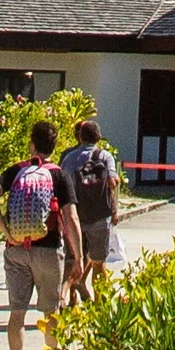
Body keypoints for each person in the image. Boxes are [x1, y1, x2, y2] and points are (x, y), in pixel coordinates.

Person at [0, 119, 67, 350]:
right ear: (54, 146)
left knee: (17, 313)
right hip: (48, 249)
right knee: (51, 311)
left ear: (32, 145)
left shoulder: (16, 170)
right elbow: (72, 217)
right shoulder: (58, 175)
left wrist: (6, 230)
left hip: (17, 249)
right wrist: (77, 255)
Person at [57, 115, 121, 288]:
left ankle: (67, 300)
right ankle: (99, 304)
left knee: (73, 261)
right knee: (99, 263)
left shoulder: (69, 158)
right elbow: (112, 183)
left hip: (75, 216)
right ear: (99, 137)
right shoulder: (105, 156)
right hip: (100, 216)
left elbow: (62, 187)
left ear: (80, 137)